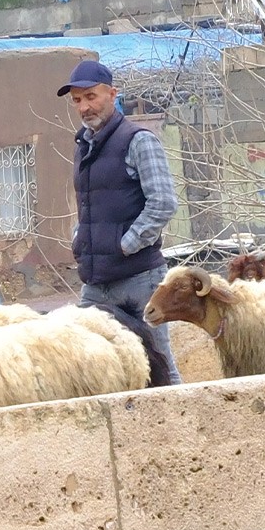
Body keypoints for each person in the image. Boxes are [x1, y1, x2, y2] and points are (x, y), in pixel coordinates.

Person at [60, 57, 180, 386]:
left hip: (139, 277)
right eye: (77, 100)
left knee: (157, 364)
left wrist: (125, 245)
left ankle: (178, 430)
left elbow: (164, 203)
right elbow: (89, 208)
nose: (85, 107)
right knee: (86, 361)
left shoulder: (138, 140)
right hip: (96, 282)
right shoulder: (83, 145)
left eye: (91, 96)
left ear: (112, 94)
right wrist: (80, 240)